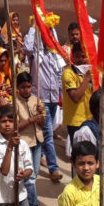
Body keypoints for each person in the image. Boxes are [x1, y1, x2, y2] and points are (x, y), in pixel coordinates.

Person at [23, 22, 64, 183]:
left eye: (51, 35)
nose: (49, 38)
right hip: (41, 100)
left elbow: (59, 75)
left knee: (44, 131)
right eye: (46, 35)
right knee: (48, 134)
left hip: (54, 99)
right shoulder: (36, 53)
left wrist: (60, 97)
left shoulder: (56, 55)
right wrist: (33, 26)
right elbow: (26, 47)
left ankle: (39, 155)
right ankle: (54, 168)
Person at [0, 105, 34, 206]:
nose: (7, 124)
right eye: (3, 121)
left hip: (20, 194)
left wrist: (24, 175)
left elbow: (30, 167)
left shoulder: (23, 144)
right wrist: (9, 147)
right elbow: (4, 171)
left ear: (16, 123)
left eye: (10, 121)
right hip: (2, 197)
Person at [15, 72, 47, 206]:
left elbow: (43, 124)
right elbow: (15, 127)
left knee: (32, 176)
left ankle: (27, 204)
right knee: (30, 178)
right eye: (23, 87)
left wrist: (41, 114)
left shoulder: (37, 100)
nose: (26, 90)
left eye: (29, 87)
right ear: (18, 88)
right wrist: (32, 119)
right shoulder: (15, 103)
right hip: (24, 144)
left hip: (37, 141)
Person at [62, 43, 93, 145]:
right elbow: (75, 97)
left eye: (83, 56)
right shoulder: (68, 74)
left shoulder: (90, 71)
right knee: (80, 153)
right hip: (76, 121)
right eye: (77, 56)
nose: (80, 60)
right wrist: (87, 79)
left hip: (90, 118)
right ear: (73, 57)